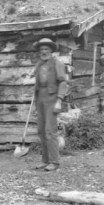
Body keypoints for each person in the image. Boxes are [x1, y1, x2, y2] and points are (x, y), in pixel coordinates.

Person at [33, 38, 68, 171]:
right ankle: (45, 160)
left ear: (52, 50)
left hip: (52, 99)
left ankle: (55, 161)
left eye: (46, 49)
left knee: (50, 131)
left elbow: (63, 82)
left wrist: (59, 100)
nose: (44, 51)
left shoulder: (57, 63)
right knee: (41, 131)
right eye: (41, 49)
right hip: (40, 98)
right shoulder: (39, 65)